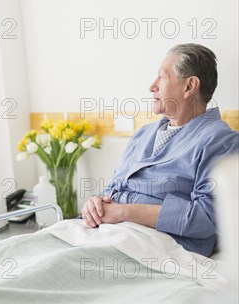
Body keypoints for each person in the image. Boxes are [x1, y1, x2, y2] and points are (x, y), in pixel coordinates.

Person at [81, 44, 238, 256]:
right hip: (106, 232)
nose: (152, 86)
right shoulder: (143, 134)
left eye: (161, 78)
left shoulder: (219, 141)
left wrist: (123, 212)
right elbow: (112, 189)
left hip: (157, 245)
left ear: (189, 86)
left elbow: (207, 218)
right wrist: (95, 204)